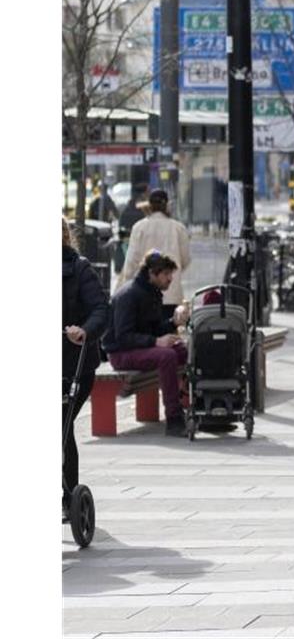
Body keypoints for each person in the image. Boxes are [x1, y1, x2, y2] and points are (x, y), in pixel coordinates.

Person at [102, 251, 191, 436]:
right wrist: (156, 341)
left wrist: (173, 323)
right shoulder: (130, 294)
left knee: (183, 350)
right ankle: (174, 419)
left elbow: (154, 328)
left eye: (171, 274)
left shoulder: (152, 292)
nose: (170, 279)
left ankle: (189, 405)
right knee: (167, 356)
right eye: (166, 274)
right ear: (152, 273)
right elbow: (123, 337)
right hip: (120, 354)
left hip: (139, 348)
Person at [62, 217, 110, 518]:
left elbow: (100, 309)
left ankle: (69, 495)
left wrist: (84, 330)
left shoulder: (79, 269)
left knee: (60, 428)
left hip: (73, 364)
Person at [119, 189, 191, 316]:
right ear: (167, 205)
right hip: (171, 296)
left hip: (143, 295)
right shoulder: (178, 228)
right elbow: (185, 260)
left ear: (150, 206)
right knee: (168, 331)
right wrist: (169, 273)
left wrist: (127, 286)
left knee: (146, 332)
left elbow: (131, 262)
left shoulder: (139, 227)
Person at [115, 183, 148, 274]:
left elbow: (121, 223)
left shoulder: (129, 205)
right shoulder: (143, 205)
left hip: (127, 236)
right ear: (144, 192)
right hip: (137, 237)